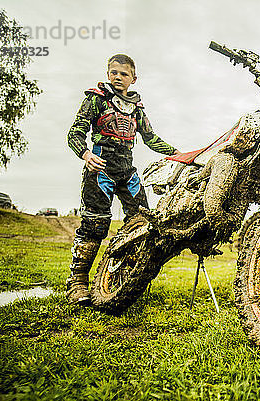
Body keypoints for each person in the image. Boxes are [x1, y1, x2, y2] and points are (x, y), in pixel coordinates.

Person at [65, 54, 179, 305]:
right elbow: (75, 132)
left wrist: (178, 155)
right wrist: (85, 154)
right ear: (108, 74)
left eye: (124, 74)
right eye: (114, 72)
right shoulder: (95, 99)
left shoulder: (137, 108)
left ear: (133, 78)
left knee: (142, 222)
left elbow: (151, 138)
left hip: (127, 170)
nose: (118, 77)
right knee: (96, 225)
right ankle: (77, 283)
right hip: (100, 167)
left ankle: (124, 278)